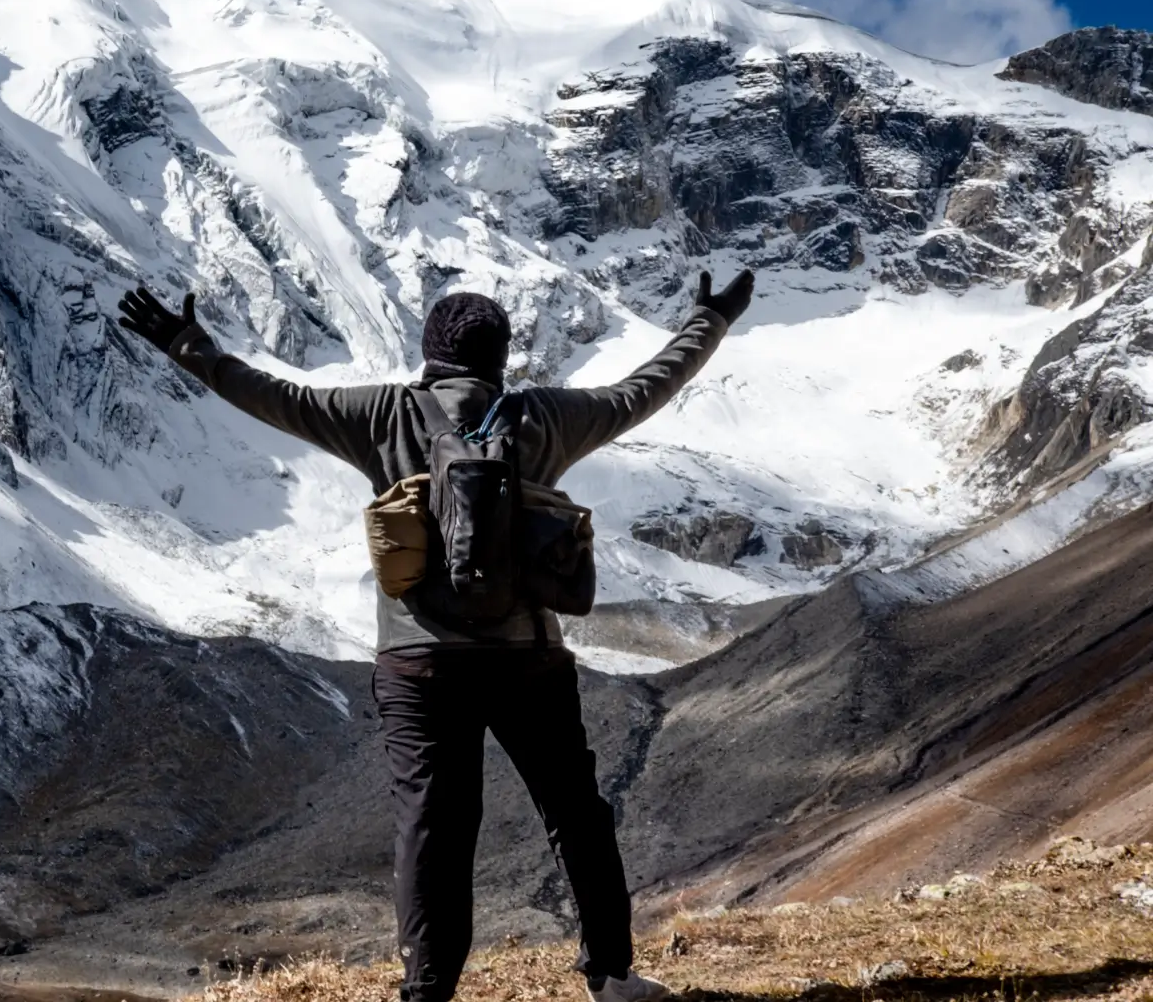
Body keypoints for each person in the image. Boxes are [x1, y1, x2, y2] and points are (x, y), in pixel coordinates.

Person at [116, 271, 756, 1002]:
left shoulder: (382, 415)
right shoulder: (542, 417)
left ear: (428, 355)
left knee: (433, 830)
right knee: (575, 813)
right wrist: (709, 318)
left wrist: (184, 341)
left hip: (418, 664)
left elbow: (273, 396)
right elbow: (644, 388)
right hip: (527, 660)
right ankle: (610, 974)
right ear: (501, 358)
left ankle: (426, 995)